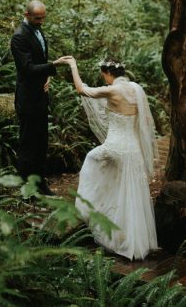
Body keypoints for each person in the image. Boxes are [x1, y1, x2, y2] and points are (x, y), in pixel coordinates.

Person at [62, 56, 158, 260]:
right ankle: (133, 242)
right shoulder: (135, 89)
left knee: (90, 160)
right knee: (127, 194)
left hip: (115, 148)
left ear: (107, 73)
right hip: (133, 151)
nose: (103, 78)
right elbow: (147, 120)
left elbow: (82, 90)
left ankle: (87, 209)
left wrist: (73, 65)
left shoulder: (112, 90)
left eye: (103, 75)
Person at [10, 0, 69, 195]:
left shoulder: (37, 29)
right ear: (27, 15)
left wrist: (47, 78)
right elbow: (26, 68)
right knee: (28, 146)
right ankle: (27, 190)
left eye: (43, 18)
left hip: (41, 97)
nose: (41, 21)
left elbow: (39, 61)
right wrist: (54, 65)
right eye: (37, 18)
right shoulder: (19, 37)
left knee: (41, 144)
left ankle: (41, 184)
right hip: (28, 101)